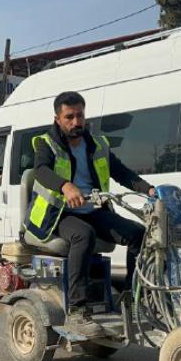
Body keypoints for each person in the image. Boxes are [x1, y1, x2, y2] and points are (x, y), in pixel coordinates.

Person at [24, 91, 155, 337]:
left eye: (80, 115)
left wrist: (148, 189)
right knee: (84, 235)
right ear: (57, 119)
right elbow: (40, 170)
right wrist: (65, 185)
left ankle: (130, 298)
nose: (76, 122)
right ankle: (77, 311)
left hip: (92, 209)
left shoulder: (97, 144)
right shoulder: (45, 143)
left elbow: (122, 173)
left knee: (138, 234)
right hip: (58, 214)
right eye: (69, 117)